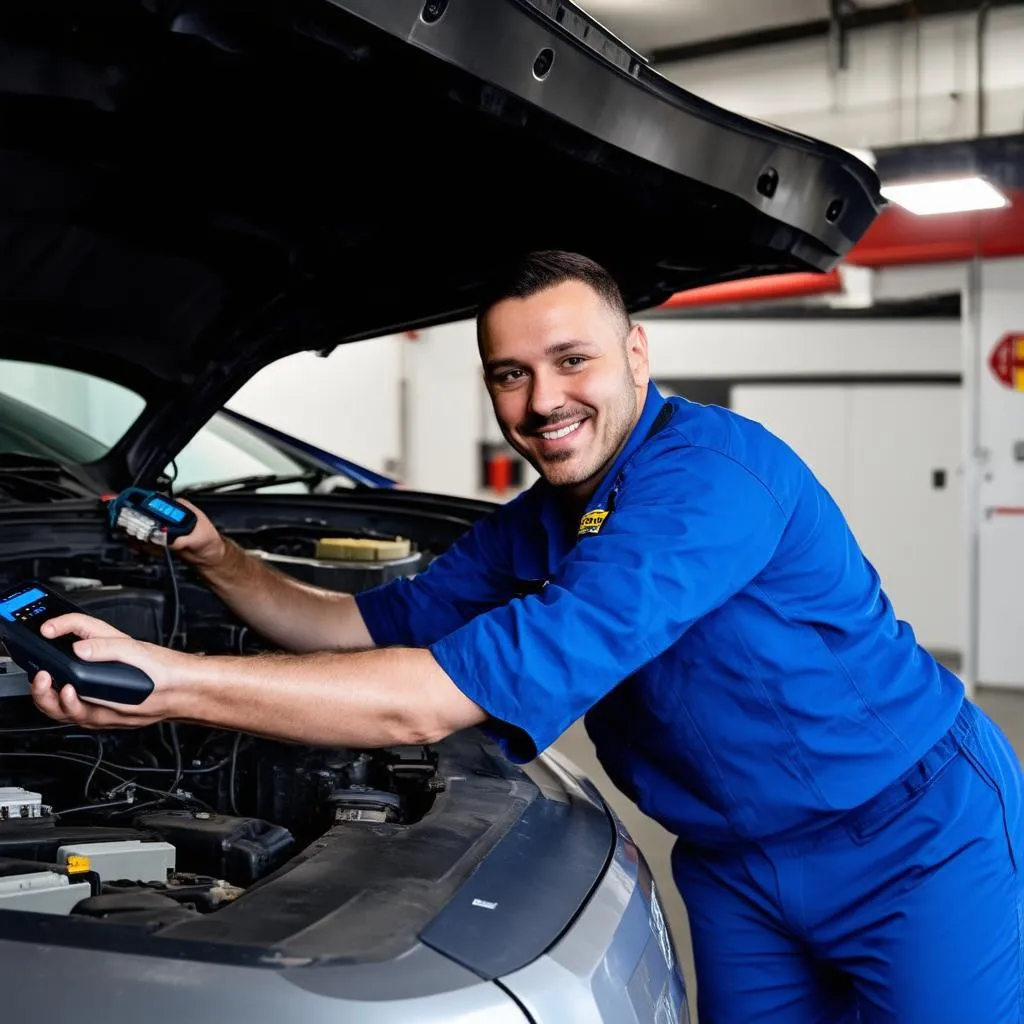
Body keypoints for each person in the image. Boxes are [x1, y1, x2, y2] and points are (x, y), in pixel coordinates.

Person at [31, 251, 1023, 1024]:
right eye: (510, 375)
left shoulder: (708, 485)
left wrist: (171, 683)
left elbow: (430, 698)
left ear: (637, 353)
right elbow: (349, 626)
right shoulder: (535, 523)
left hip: (910, 837)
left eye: (571, 359)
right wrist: (218, 561)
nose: (543, 402)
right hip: (731, 863)